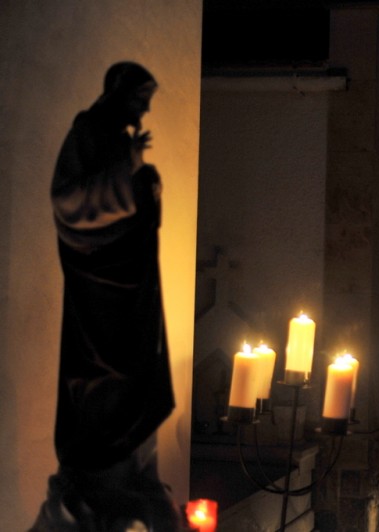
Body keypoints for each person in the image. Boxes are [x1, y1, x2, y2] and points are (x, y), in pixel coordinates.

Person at [32, 62, 180, 531]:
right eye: (141, 97)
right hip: (98, 285)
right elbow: (68, 200)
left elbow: (133, 204)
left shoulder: (116, 136)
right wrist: (130, 169)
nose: (147, 108)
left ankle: (130, 466)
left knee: (136, 369)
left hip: (133, 283)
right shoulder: (88, 131)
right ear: (119, 93)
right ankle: (101, 473)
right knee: (104, 374)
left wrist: (144, 182)